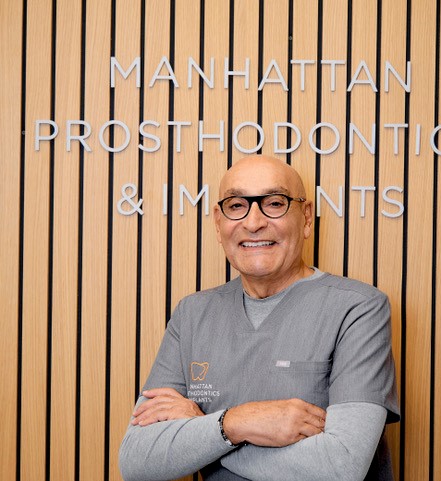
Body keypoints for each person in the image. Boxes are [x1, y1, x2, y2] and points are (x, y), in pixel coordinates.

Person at [119, 155, 400, 481]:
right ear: (218, 223)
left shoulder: (359, 308)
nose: (253, 223)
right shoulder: (192, 315)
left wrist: (201, 428)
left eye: (275, 203)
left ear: (306, 218)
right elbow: (137, 459)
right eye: (237, 206)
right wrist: (234, 422)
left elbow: (341, 466)